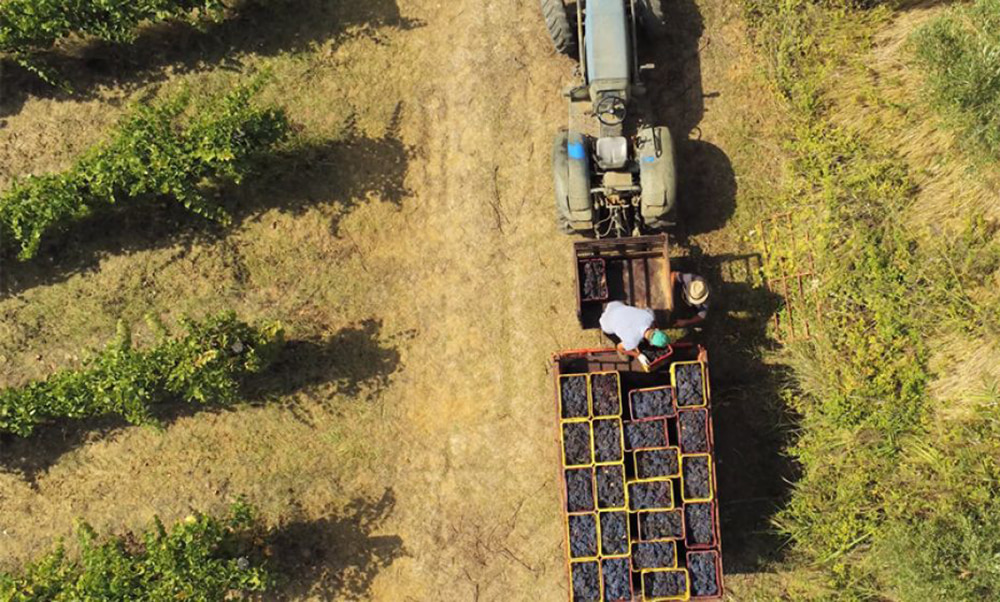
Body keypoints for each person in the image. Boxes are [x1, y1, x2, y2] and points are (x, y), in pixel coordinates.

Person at [599, 301, 671, 368]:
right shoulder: (632, 341)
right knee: (626, 357)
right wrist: (638, 355)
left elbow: (650, 317)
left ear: (656, 330)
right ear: (651, 342)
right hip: (605, 324)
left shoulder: (649, 316)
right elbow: (619, 347)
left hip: (615, 304)